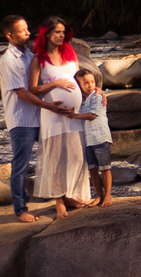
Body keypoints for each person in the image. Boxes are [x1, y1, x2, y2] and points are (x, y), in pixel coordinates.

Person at [0, 15, 73, 222]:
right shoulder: (8, 61)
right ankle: (20, 210)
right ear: (9, 35)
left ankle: (64, 197)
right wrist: (49, 106)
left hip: (41, 117)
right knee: (21, 165)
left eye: (27, 29)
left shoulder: (30, 55)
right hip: (21, 120)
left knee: (56, 155)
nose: (28, 33)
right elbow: (21, 92)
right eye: (22, 30)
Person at [27, 16, 92, 219]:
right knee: (56, 156)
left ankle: (71, 195)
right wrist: (56, 83)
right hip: (52, 115)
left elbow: (81, 79)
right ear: (46, 34)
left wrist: (96, 91)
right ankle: (59, 201)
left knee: (76, 155)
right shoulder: (39, 59)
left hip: (74, 115)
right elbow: (33, 89)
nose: (61, 35)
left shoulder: (71, 54)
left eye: (63, 32)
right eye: (57, 32)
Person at [72, 68, 113, 207]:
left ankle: (108, 195)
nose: (90, 85)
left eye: (92, 82)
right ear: (79, 85)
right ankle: (99, 196)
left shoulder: (97, 96)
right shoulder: (80, 99)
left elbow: (92, 115)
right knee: (92, 169)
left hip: (100, 137)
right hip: (88, 140)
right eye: (86, 83)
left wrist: (74, 116)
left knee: (105, 167)